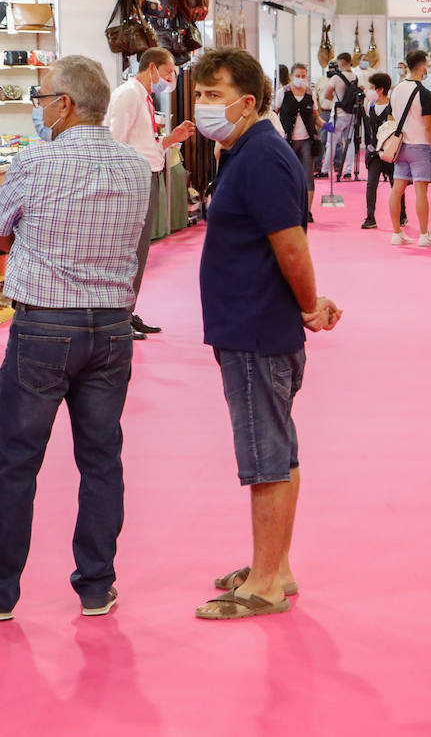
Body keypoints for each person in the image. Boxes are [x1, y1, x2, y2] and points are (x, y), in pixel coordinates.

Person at [0, 56, 151, 621]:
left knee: (17, 459)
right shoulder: (136, 167)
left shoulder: (35, 162)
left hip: (43, 327)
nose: (38, 109)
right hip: (112, 327)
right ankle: (96, 584)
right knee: (102, 458)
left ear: (63, 104)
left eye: (41, 99)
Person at [190, 48, 342, 620]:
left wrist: (309, 305)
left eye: (214, 95)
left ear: (247, 101)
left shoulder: (262, 157)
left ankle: (266, 584)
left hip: (257, 329)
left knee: (265, 457)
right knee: (278, 450)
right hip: (247, 323)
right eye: (199, 94)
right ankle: (273, 564)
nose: (204, 106)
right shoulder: (242, 150)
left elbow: (291, 246)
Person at [103, 46, 195, 339]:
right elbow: (115, 140)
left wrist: (171, 139)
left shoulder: (142, 97)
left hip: (147, 175)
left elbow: (142, 143)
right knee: (130, 251)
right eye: (168, 72)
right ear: (152, 67)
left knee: (139, 251)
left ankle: (127, 312)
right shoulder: (128, 95)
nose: (170, 79)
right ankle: (119, 317)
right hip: (134, 180)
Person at [388, 50, 431, 247]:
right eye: (426, 64)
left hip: (401, 145)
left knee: (397, 190)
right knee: (421, 192)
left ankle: (396, 232)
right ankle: (424, 234)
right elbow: (429, 126)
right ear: (420, 67)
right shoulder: (424, 93)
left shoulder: (397, 89)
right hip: (420, 146)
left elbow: (392, 115)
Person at [361, 71, 404, 230]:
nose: (369, 90)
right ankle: (370, 216)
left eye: (371, 87)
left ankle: (402, 214)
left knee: (396, 184)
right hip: (373, 151)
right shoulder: (369, 105)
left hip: (389, 151)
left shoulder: (393, 107)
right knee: (371, 184)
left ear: (380, 89)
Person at [277, 63, 322, 211]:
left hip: (307, 140)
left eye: (303, 76)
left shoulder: (310, 93)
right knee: (287, 175)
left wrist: (328, 126)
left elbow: (316, 117)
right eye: (297, 76)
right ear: (291, 76)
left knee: (308, 175)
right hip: (286, 141)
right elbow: (274, 114)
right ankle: (288, 207)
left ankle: (307, 210)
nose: (300, 79)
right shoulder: (282, 92)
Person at [323, 53, 363, 180]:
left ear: (340, 62)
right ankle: (348, 171)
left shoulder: (336, 77)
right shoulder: (355, 76)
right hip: (351, 114)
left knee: (331, 143)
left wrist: (335, 99)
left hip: (338, 115)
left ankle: (325, 170)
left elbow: (326, 94)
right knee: (349, 143)